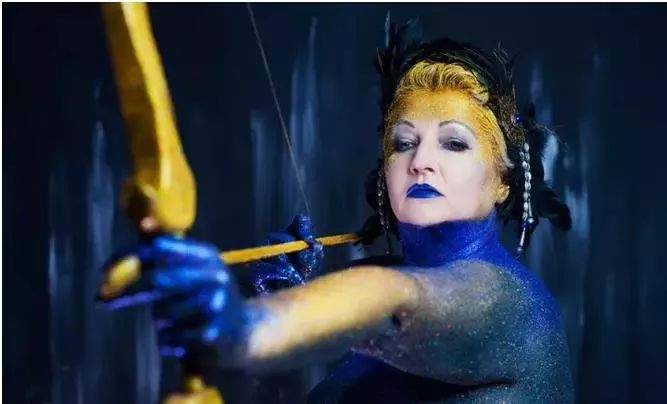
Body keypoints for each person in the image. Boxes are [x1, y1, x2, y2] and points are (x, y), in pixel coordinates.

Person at [101, 22, 574, 403]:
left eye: (453, 143)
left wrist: (247, 327)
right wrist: (281, 297)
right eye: (403, 142)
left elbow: (395, 302)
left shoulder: (510, 302)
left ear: (503, 180)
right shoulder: (374, 281)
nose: (421, 160)